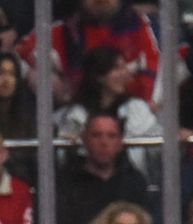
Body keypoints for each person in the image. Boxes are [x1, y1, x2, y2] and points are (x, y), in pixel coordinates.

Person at [30, 0, 163, 97]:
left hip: (132, 105)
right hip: (81, 108)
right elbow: (20, 54)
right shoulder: (65, 30)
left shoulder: (137, 23)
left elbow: (153, 63)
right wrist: (45, 77)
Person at [56, 110, 155, 224]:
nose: (104, 142)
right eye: (96, 135)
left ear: (120, 143)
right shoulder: (65, 180)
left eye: (111, 136)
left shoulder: (134, 181)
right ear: (84, 140)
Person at [54, 43, 164, 176]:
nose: (126, 74)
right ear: (99, 76)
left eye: (124, 67)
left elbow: (156, 141)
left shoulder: (136, 108)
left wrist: (172, 136)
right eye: (117, 69)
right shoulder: (76, 115)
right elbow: (62, 158)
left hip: (128, 181)